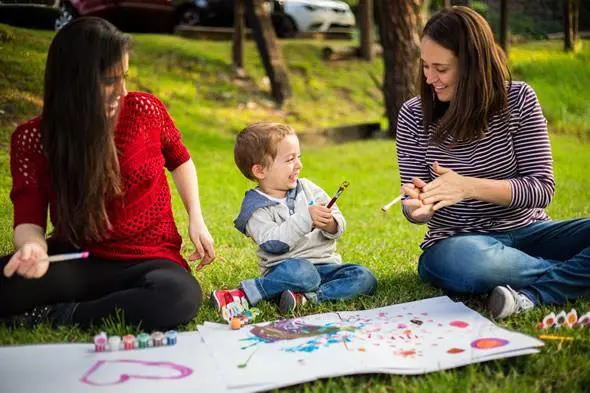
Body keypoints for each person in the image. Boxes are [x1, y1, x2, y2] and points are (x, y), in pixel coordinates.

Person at [0, 17, 215, 330]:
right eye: (109, 80)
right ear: (74, 82)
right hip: (79, 258)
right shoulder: (33, 139)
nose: (122, 91)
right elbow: (28, 218)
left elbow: (181, 160)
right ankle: (98, 302)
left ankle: (65, 315)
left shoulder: (145, 110)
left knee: (178, 297)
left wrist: (196, 217)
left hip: (149, 258)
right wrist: (33, 247)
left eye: (124, 77)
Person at [395, 6, 590, 319]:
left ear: (472, 65)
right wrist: (417, 208)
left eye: (441, 69)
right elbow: (411, 202)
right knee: (463, 263)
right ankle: (572, 275)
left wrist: (468, 187)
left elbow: (541, 189)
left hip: (531, 234)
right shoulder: (412, 115)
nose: (430, 78)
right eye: (425, 67)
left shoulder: (519, 100)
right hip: (461, 244)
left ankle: (535, 293)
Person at [211, 122, 377, 319]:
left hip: (326, 267)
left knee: (364, 277)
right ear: (260, 171)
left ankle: (307, 299)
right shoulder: (255, 207)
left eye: (298, 157)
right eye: (290, 159)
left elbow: (338, 223)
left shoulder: (308, 188)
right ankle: (247, 293)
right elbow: (273, 243)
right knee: (303, 272)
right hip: (287, 271)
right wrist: (306, 218)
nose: (299, 165)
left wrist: (330, 223)